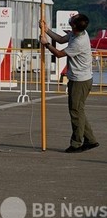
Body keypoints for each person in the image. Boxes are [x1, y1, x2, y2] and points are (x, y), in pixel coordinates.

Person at [41, 13, 99, 153]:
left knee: (75, 111)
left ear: (74, 25)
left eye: (73, 19)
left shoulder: (79, 41)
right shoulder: (76, 33)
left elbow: (59, 54)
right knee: (78, 111)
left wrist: (46, 44)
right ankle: (90, 140)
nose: (71, 19)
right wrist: (46, 30)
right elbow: (61, 39)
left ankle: (77, 143)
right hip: (76, 78)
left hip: (81, 81)